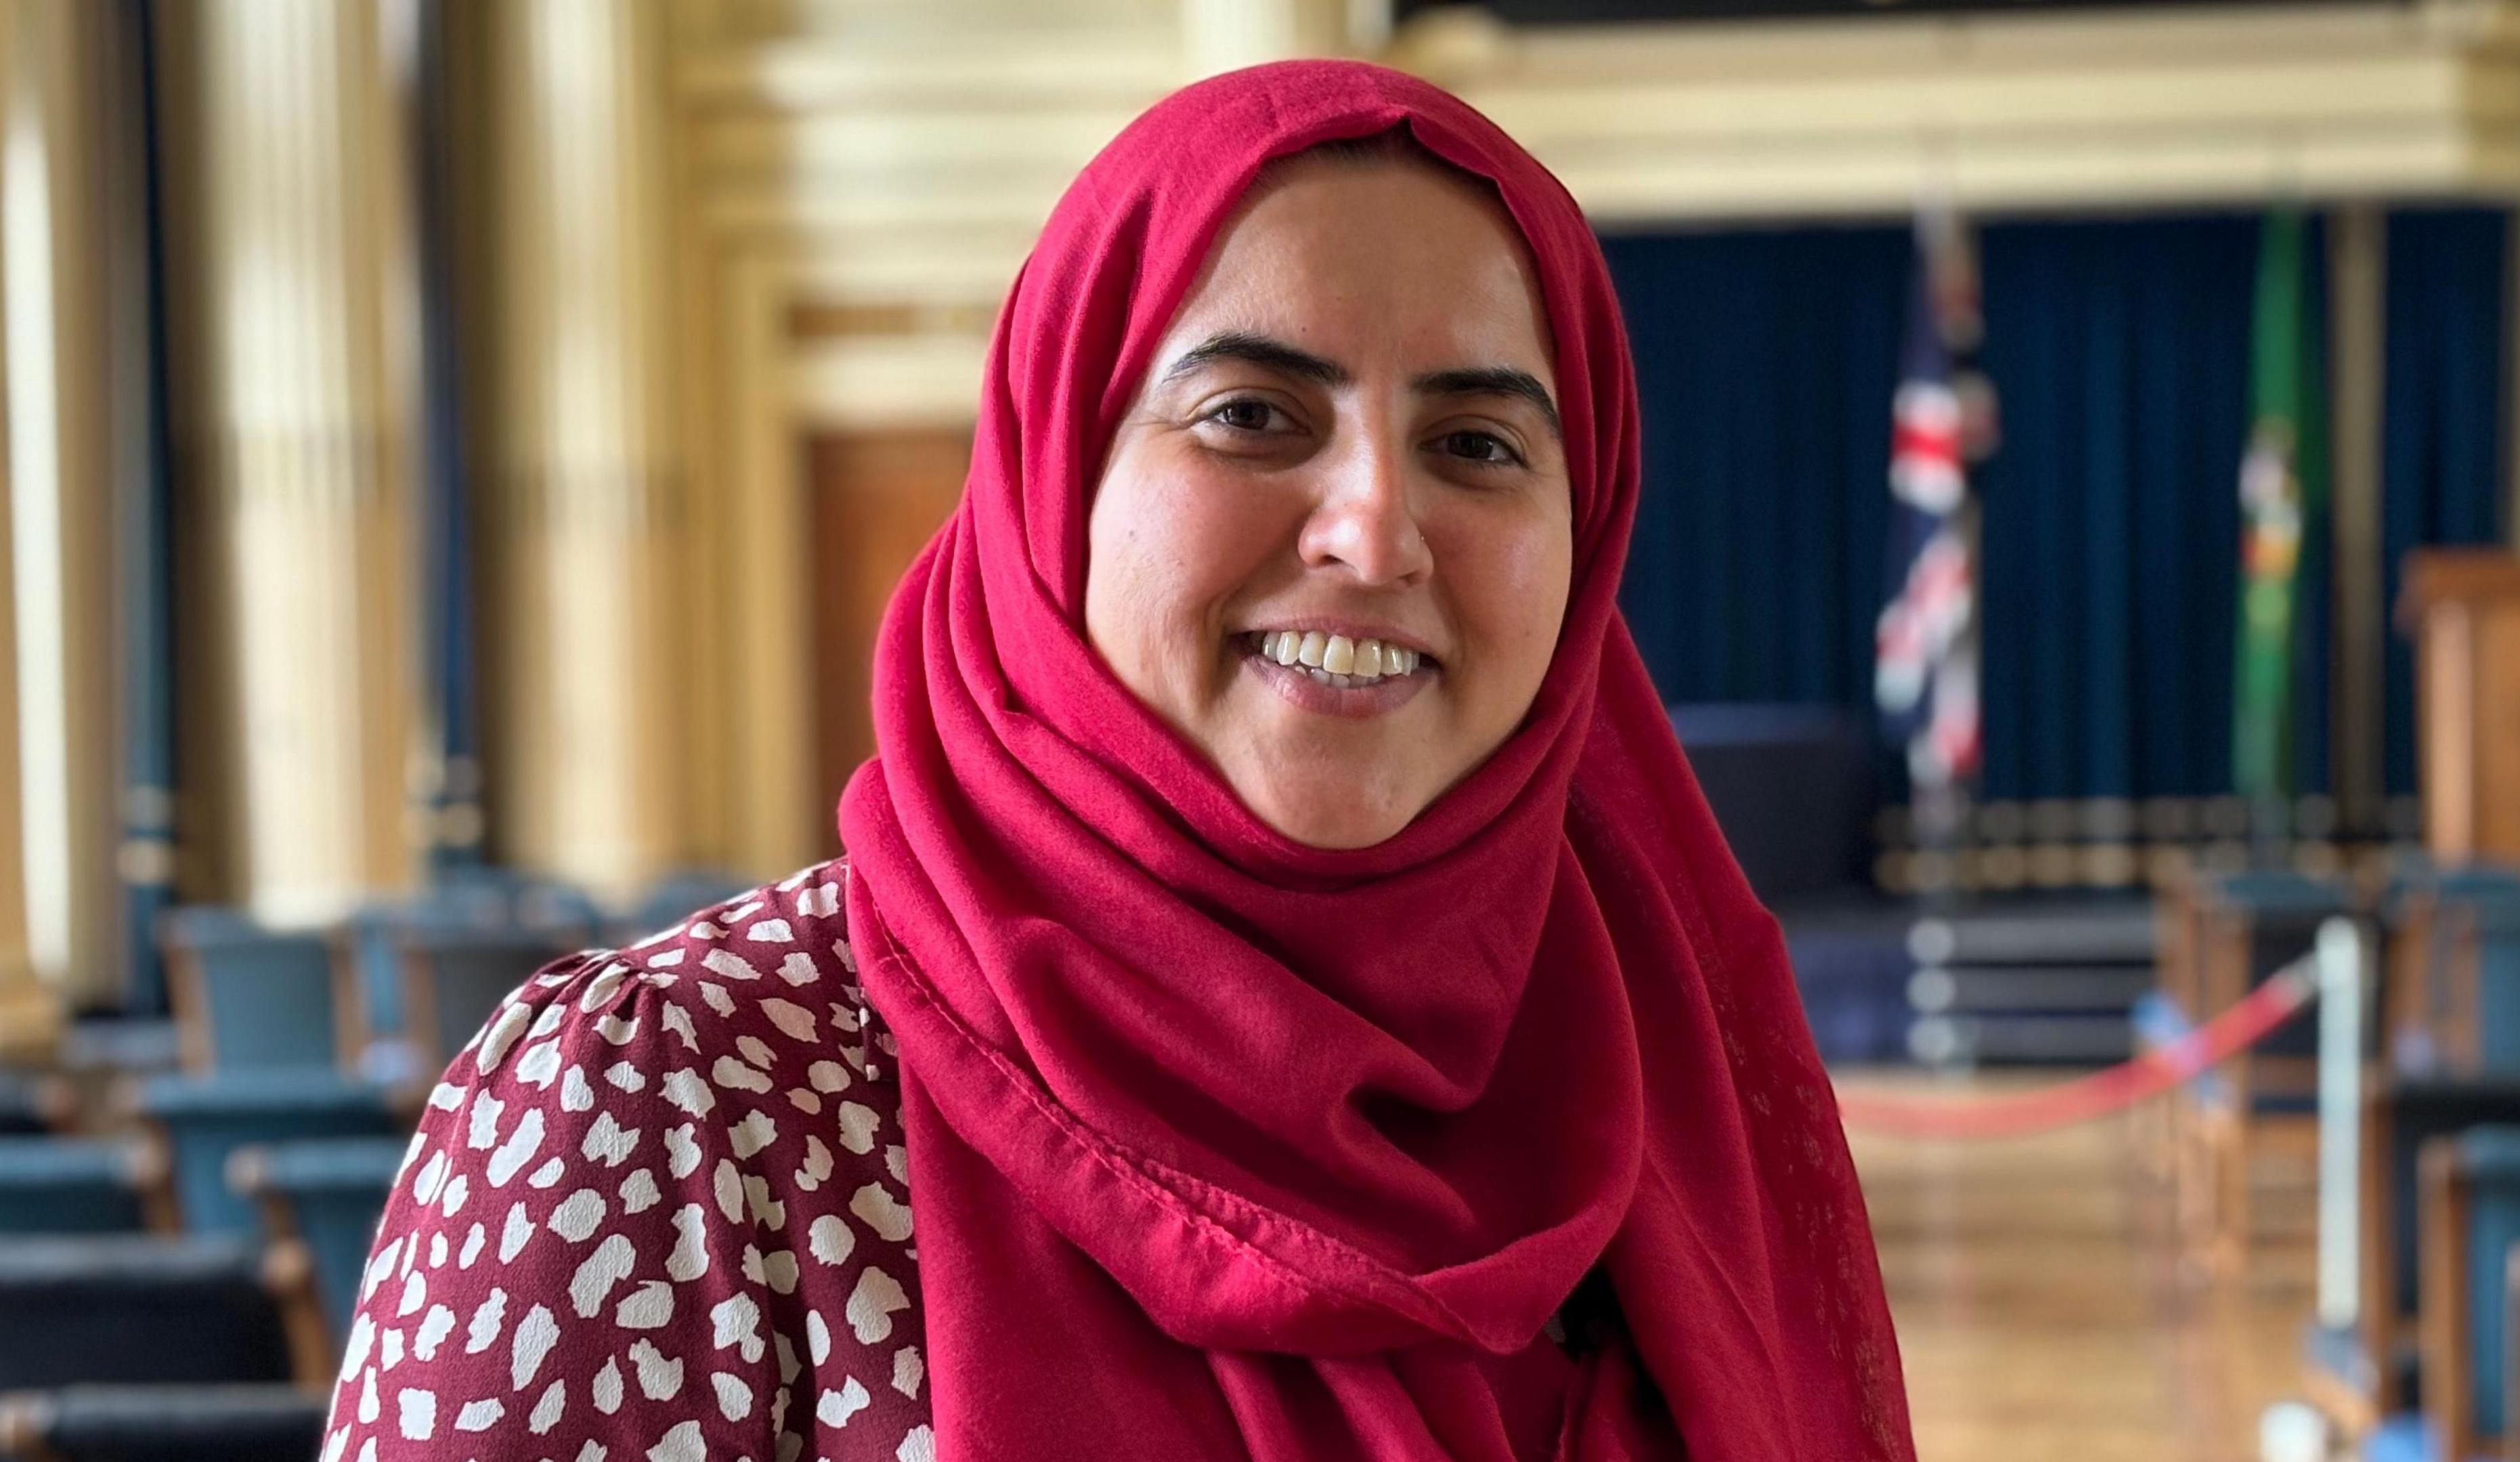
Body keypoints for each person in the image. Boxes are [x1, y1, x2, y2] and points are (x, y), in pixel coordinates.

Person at [321, 58, 1911, 1462]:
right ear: (1053, 476)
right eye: (1252, 416)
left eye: (1477, 445)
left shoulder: (1674, 1106)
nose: (1371, 529)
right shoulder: (673, 1112)